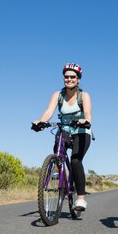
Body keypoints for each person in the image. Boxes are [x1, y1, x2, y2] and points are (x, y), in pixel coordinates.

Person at [32, 63, 93, 210]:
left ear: (78, 79)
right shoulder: (58, 95)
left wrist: (85, 121)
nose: (69, 79)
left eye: (73, 77)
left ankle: (80, 199)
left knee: (75, 161)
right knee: (58, 148)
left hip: (81, 131)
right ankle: (57, 169)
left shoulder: (83, 96)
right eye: (66, 77)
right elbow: (49, 111)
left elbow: (88, 114)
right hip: (65, 129)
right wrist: (41, 121)